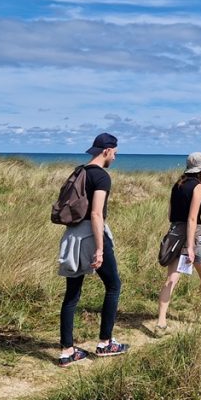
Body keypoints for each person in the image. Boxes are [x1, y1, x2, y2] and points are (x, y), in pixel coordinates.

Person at [57, 133, 129, 366]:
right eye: (115, 153)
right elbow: (96, 213)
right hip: (91, 234)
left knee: (72, 295)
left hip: (72, 236)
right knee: (113, 285)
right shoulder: (102, 177)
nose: (115, 158)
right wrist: (100, 248)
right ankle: (105, 342)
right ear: (107, 150)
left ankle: (67, 351)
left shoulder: (79, 171)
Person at [154, 152, 201, 335]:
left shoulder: (177, 185)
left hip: (175, 234)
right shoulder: (198, 187)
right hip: (193, 236)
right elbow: (193, 218)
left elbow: (170, 215)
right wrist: (191, 246)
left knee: (172, 279)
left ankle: (161, 323)